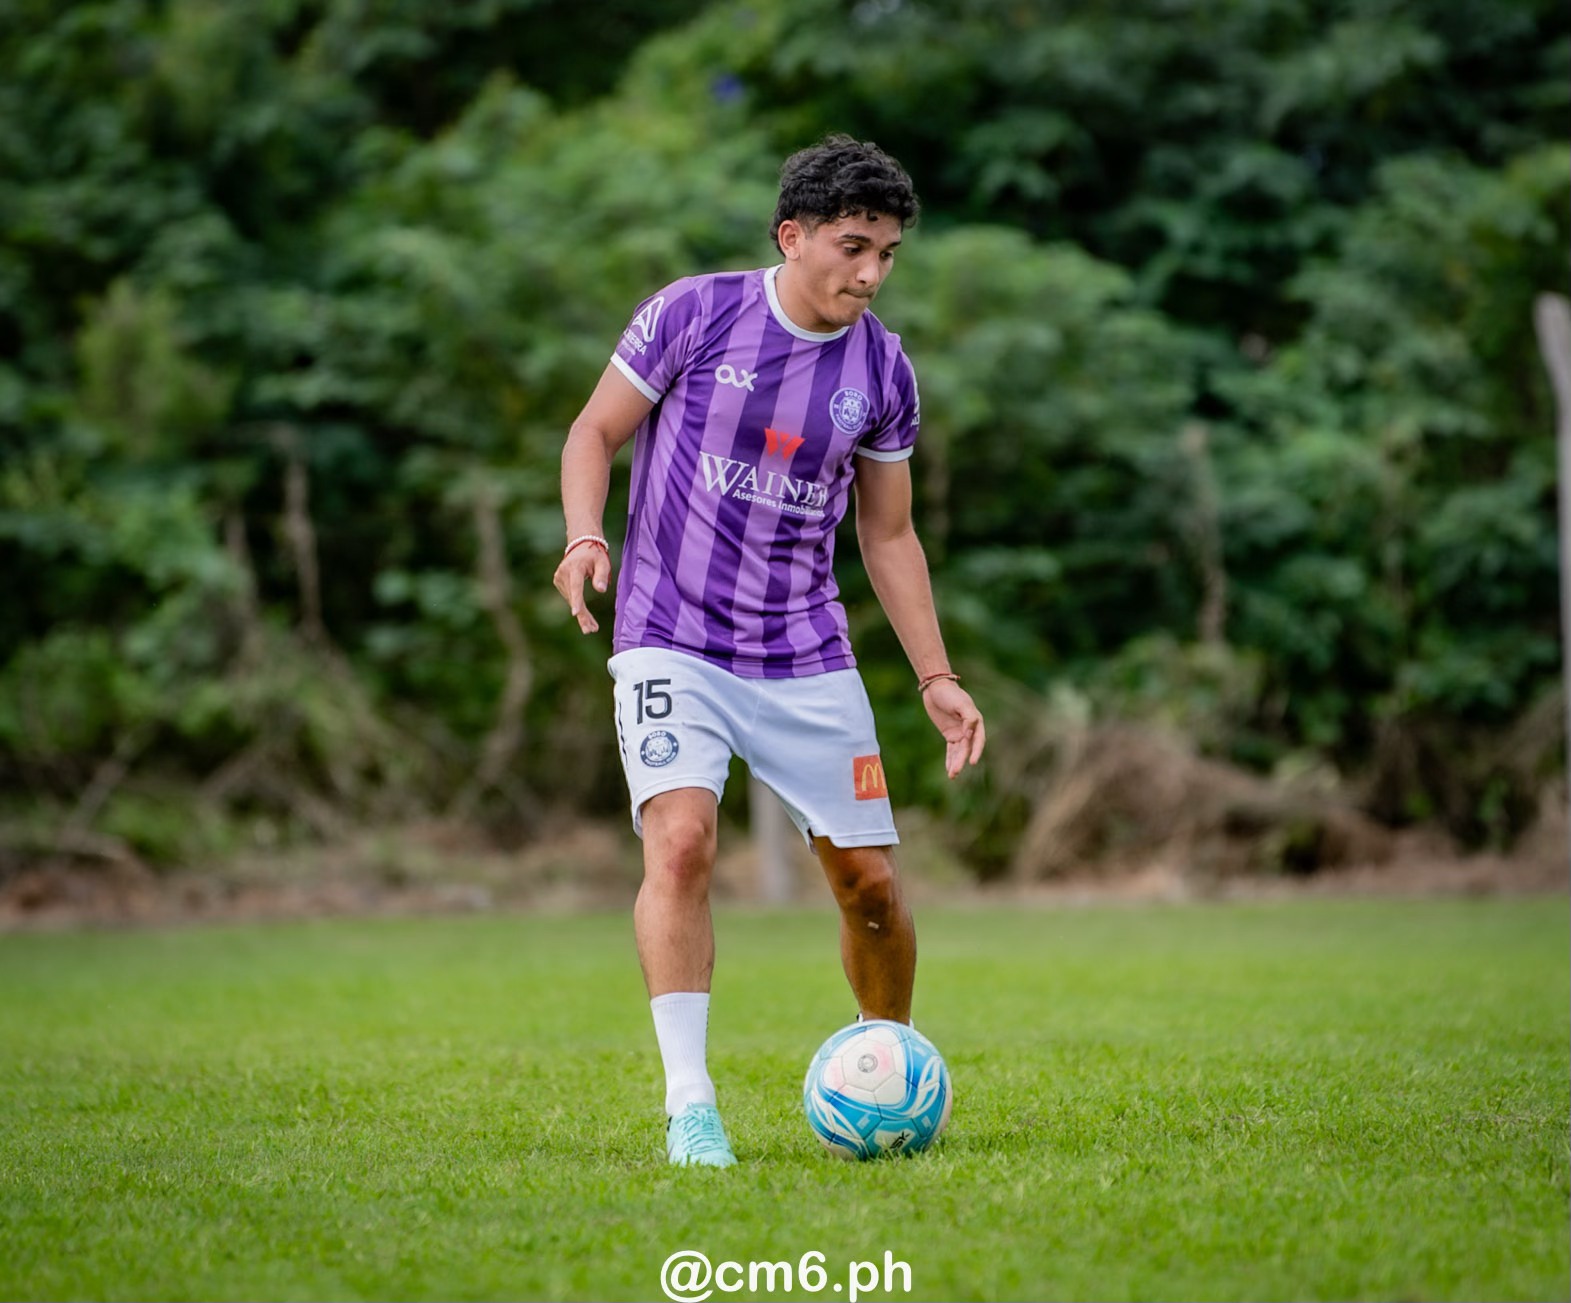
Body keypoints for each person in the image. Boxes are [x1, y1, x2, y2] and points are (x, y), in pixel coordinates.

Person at [552, 134, 985, 1168]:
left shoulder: (883, 369)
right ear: (791, 236)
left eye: (885, 252)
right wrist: (582, 533)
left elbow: (886, 535)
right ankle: (689, 1106)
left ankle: (893, 1072)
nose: (870, 273)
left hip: (804, 652)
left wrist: (935, 675)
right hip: (670, 637)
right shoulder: (693, 313)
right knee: (683, 843)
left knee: (870, 891)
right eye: (851, 246)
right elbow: (590, 433)